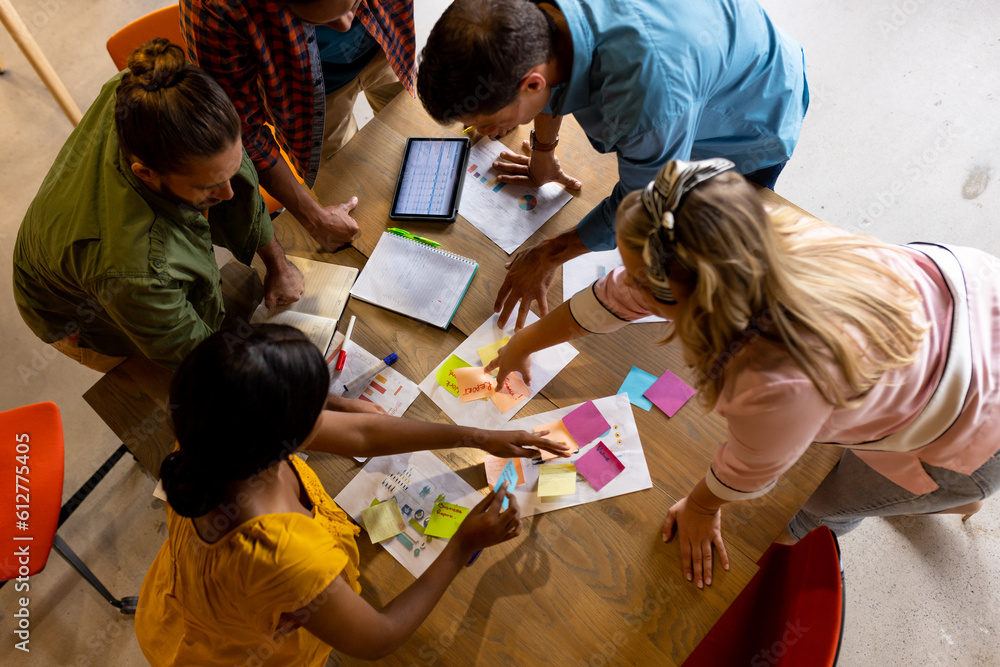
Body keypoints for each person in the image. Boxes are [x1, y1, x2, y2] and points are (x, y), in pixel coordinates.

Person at [486, 159, 1000, 589]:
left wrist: (703, 508)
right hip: (971, 297)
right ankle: (937, 496)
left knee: (810, 506)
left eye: (643, 281)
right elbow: (616, 296)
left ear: (688, 301)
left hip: (977, 429)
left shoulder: (771, 380)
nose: (627, 285)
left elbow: (751, 470)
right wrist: (522, 342)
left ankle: (938, 498)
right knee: (837, 438)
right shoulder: (748, 232)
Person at [134, 324, 569, 665]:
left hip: (181, 613)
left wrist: (478, 435)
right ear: (289, 435)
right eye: (317, 407)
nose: (331, 410)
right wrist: (462, 545)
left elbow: (362, 433)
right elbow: (377, 637)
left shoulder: (211, 436)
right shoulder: (286, 554)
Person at [418, 0, 809, 330]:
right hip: (702, 52)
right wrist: (543, 151)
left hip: (750, 112)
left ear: (532, 85)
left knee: (713, 259)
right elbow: (552, 64)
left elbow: (645, 205)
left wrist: (548, 254)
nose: (486, 131)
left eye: (489, 119)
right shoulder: (528, 18)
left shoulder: (649, 99)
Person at [12, 39, 303, 373]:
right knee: (155, 389)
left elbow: (234, 179)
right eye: (207, 187)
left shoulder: (146, 97)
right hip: (74, 308)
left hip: (87, 244)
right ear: (146, 174)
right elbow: (203, 360)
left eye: (230, 169)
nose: (229, 194)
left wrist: (277, 264)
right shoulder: (132, 269)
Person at [181, 0, 415, 251]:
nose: (346, 24)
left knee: (418, 142)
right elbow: (242, 132)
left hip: (384, 42)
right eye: (322, 20)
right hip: (307, 100)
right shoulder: (213, 8)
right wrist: (314, 218)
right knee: (355, 201)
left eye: (355, 3)